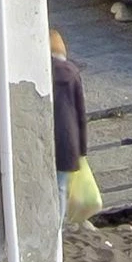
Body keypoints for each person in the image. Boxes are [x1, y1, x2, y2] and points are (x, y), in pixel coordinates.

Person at [52, 31, 99, 220]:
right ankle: (60, 225)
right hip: (69, 137)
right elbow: (81, 112)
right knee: (61, 187)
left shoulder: (41, 71)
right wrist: (82, 150)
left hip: (49, 134)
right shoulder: (72, 73)